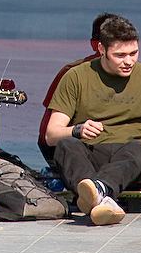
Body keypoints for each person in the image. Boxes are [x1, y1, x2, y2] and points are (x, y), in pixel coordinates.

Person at [44, 15, 141, 225]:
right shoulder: (75, 76)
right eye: (120, 55)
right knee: (66, 145)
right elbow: (51, 135)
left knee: (138, 150)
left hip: (130, 160)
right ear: (101, 49)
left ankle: (97, 191)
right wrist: (77, 130)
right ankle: (102, 199)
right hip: (91, 155)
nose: (128, 61)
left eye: (134, 53)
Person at [37, 12, 119, 168]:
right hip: (75, 150)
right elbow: (45, 135)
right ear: (96, 45)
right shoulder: (71, 73)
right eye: (115, 47)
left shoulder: (140, 77)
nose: (125, 59)